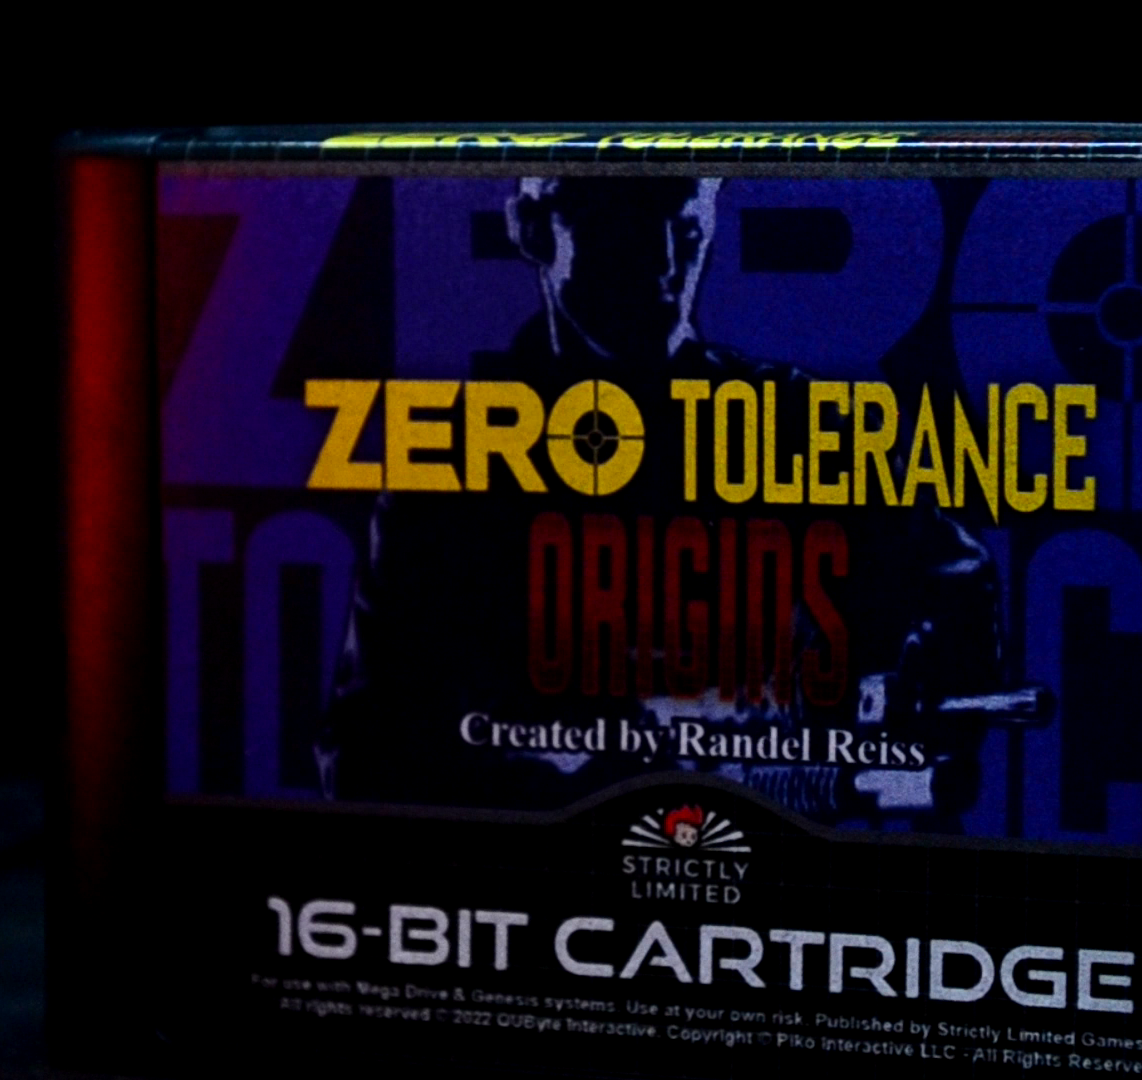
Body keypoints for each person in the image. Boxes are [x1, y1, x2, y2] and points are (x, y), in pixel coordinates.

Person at [317, 177, 1002, 824]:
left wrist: (914, 683)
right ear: (531, 229)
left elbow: (958, 588)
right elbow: (364, 755)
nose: (665, 265)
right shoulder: (450, 469)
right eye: (625, 232)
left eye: (688, 232)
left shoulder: (794, 423)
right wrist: (563, 788)